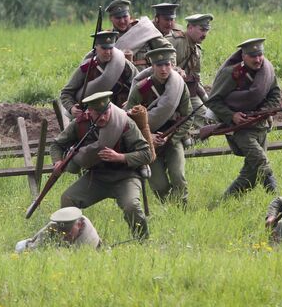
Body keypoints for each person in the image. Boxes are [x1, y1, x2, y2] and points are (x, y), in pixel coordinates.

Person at [52, 91, 152, 240]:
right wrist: (58, 161)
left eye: (106, 112)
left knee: (131, 206)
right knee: (68, 199)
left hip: (126, 176)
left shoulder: (125, 123)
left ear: (110, 108)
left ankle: (142, 241)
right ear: (90, 111)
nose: (104, 117)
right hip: (97, 177)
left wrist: (120, 157)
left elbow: (147, 154)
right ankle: (70, 240)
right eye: (98, 113)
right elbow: (57, 144)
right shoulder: (80, 124)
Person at [206, 38, 281, 198]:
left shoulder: (267, 71)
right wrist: (232, 115)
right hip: (239, 129)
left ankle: (225, 203)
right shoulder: (231, 74)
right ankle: (278, 200)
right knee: (260, 161)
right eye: (253, 56)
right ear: (244, 56)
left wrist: (263, 111)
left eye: (260, 55)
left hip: (261, 125)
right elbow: (213, 101)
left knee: (251, 175)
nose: (258, 59)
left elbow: (275, 94)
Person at [126, 48, 192, 205]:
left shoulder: (180, 87)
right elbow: (129, 122)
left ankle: (182, 208)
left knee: (178, 176)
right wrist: (149, 138)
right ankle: (169, 208)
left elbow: (188, 117)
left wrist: (172, 137)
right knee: (159, 184)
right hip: (148, 141)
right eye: (159, 65)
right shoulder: (141, 89)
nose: (164, 69)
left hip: (173, 138)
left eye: (167, 64)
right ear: (152, 66)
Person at [60, 31, 138, 119]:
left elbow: (138, 84)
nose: (108, 52)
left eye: (110, 48)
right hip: (95, 116)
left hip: (123, 113)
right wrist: (71, 108)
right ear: (96, 47)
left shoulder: (124, 65)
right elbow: (66, 93)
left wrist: (131, 101)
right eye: (104, 48)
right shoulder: (87, 68)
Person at [167, 13, 214, 130]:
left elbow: (196, 77)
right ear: (190, 28)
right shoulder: (175, 40)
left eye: (206, 31)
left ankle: (194, 141)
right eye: (201, 30)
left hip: (188, 91)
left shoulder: (197, 49)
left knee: (207, 118)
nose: (204, 34)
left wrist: (206, 99)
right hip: (168, 91)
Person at [106, 0, 172, 71]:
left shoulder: (143, 28)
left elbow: (168, 48)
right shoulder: (107, 37)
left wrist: (170, 70)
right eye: (118, 18)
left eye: (125, 17)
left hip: (145, 77)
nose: (122, 21)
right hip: (118, 78)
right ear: (111, 18)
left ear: (130, 16)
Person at [15, 207, 101, 252]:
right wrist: (28, 246)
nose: (65, 235)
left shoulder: (87, 239)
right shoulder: (58, 225)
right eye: (63, 233)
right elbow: (38, 241)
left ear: (79, 225)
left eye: (69, 233)